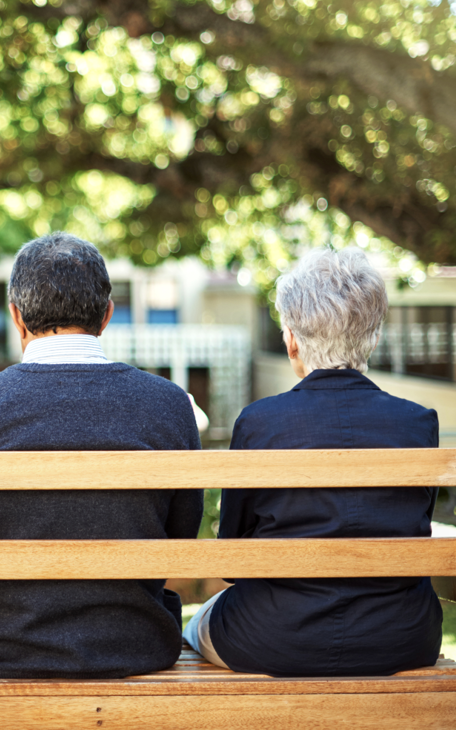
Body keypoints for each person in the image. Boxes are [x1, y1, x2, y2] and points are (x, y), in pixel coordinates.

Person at [0, 232, 204, 679]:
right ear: (107, 315)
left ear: (16, 316)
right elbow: (180, 537)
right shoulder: (167, 404)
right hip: (133, 642)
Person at [185, 247, 442, 677]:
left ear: (291, 340)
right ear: (373, 338)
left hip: (272, 636)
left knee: (195, 626)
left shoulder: (260, 423)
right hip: (401, 636)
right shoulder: (417, 424)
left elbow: (233, 559)